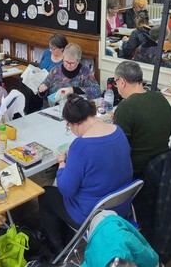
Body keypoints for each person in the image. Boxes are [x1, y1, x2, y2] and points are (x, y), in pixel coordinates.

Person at [38, 94, 133, 253]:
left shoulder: (80, 146)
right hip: (121, 205)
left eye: (69, 126)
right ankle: (65, 238)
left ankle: (56, 248)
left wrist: (62, 163)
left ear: (74, 123)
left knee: (46, 195)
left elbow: (66, 190)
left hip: (93, 214)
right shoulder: (118, 131)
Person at [113, 61, 171, 177]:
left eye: (116, 83)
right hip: (162, 167)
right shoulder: (160, 98)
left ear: (122, 82)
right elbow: (169, 130)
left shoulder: (126, 107)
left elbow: (117, 148)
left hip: (136, 173)